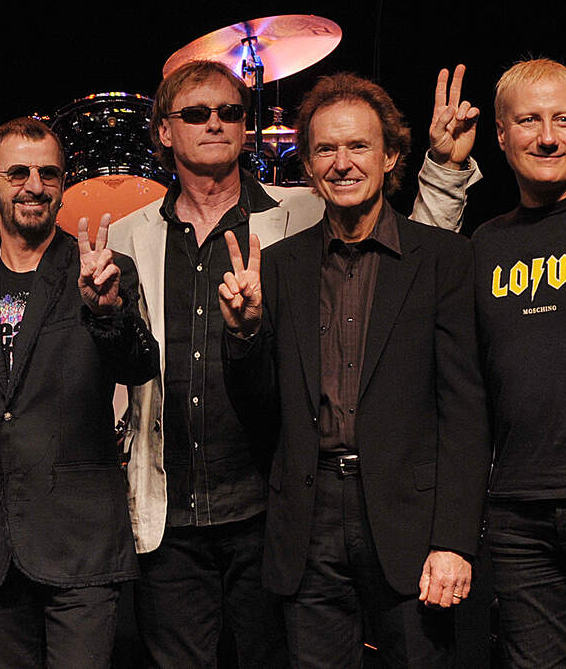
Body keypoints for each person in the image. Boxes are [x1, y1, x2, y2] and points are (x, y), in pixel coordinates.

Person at [106, 59, 482, 666]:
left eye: (230, 112)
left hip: (311, 508)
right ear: (163, 130)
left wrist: (444, 167)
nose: (215, 124)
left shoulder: (311, 217)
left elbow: (414, 268)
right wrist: (237, 331)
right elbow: (138, 364)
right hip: (220, 515)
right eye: (196, 113)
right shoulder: (147, 237)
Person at [218, 73, 488, 666]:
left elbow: (465, 412)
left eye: (358, 146)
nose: (342, 163)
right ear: (309, 165)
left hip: (411, 520)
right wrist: (243, 333)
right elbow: (259, 411)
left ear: (390, 157)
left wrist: (453, 540)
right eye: (325, 149)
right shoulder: (279, 267)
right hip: (308, 519)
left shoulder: (443, 258)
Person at [0, 117, 159, 667]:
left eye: (48, 174)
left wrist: (108, 314)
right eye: (18, 173)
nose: (34, 185)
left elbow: (140, 366)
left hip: (80, 542)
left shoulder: (102, 271)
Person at [473, 58, 566, 668]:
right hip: (519, 516)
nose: (546, 136)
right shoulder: (484, 244)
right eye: (528, 120)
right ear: (501, 134)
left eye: (562, 120)